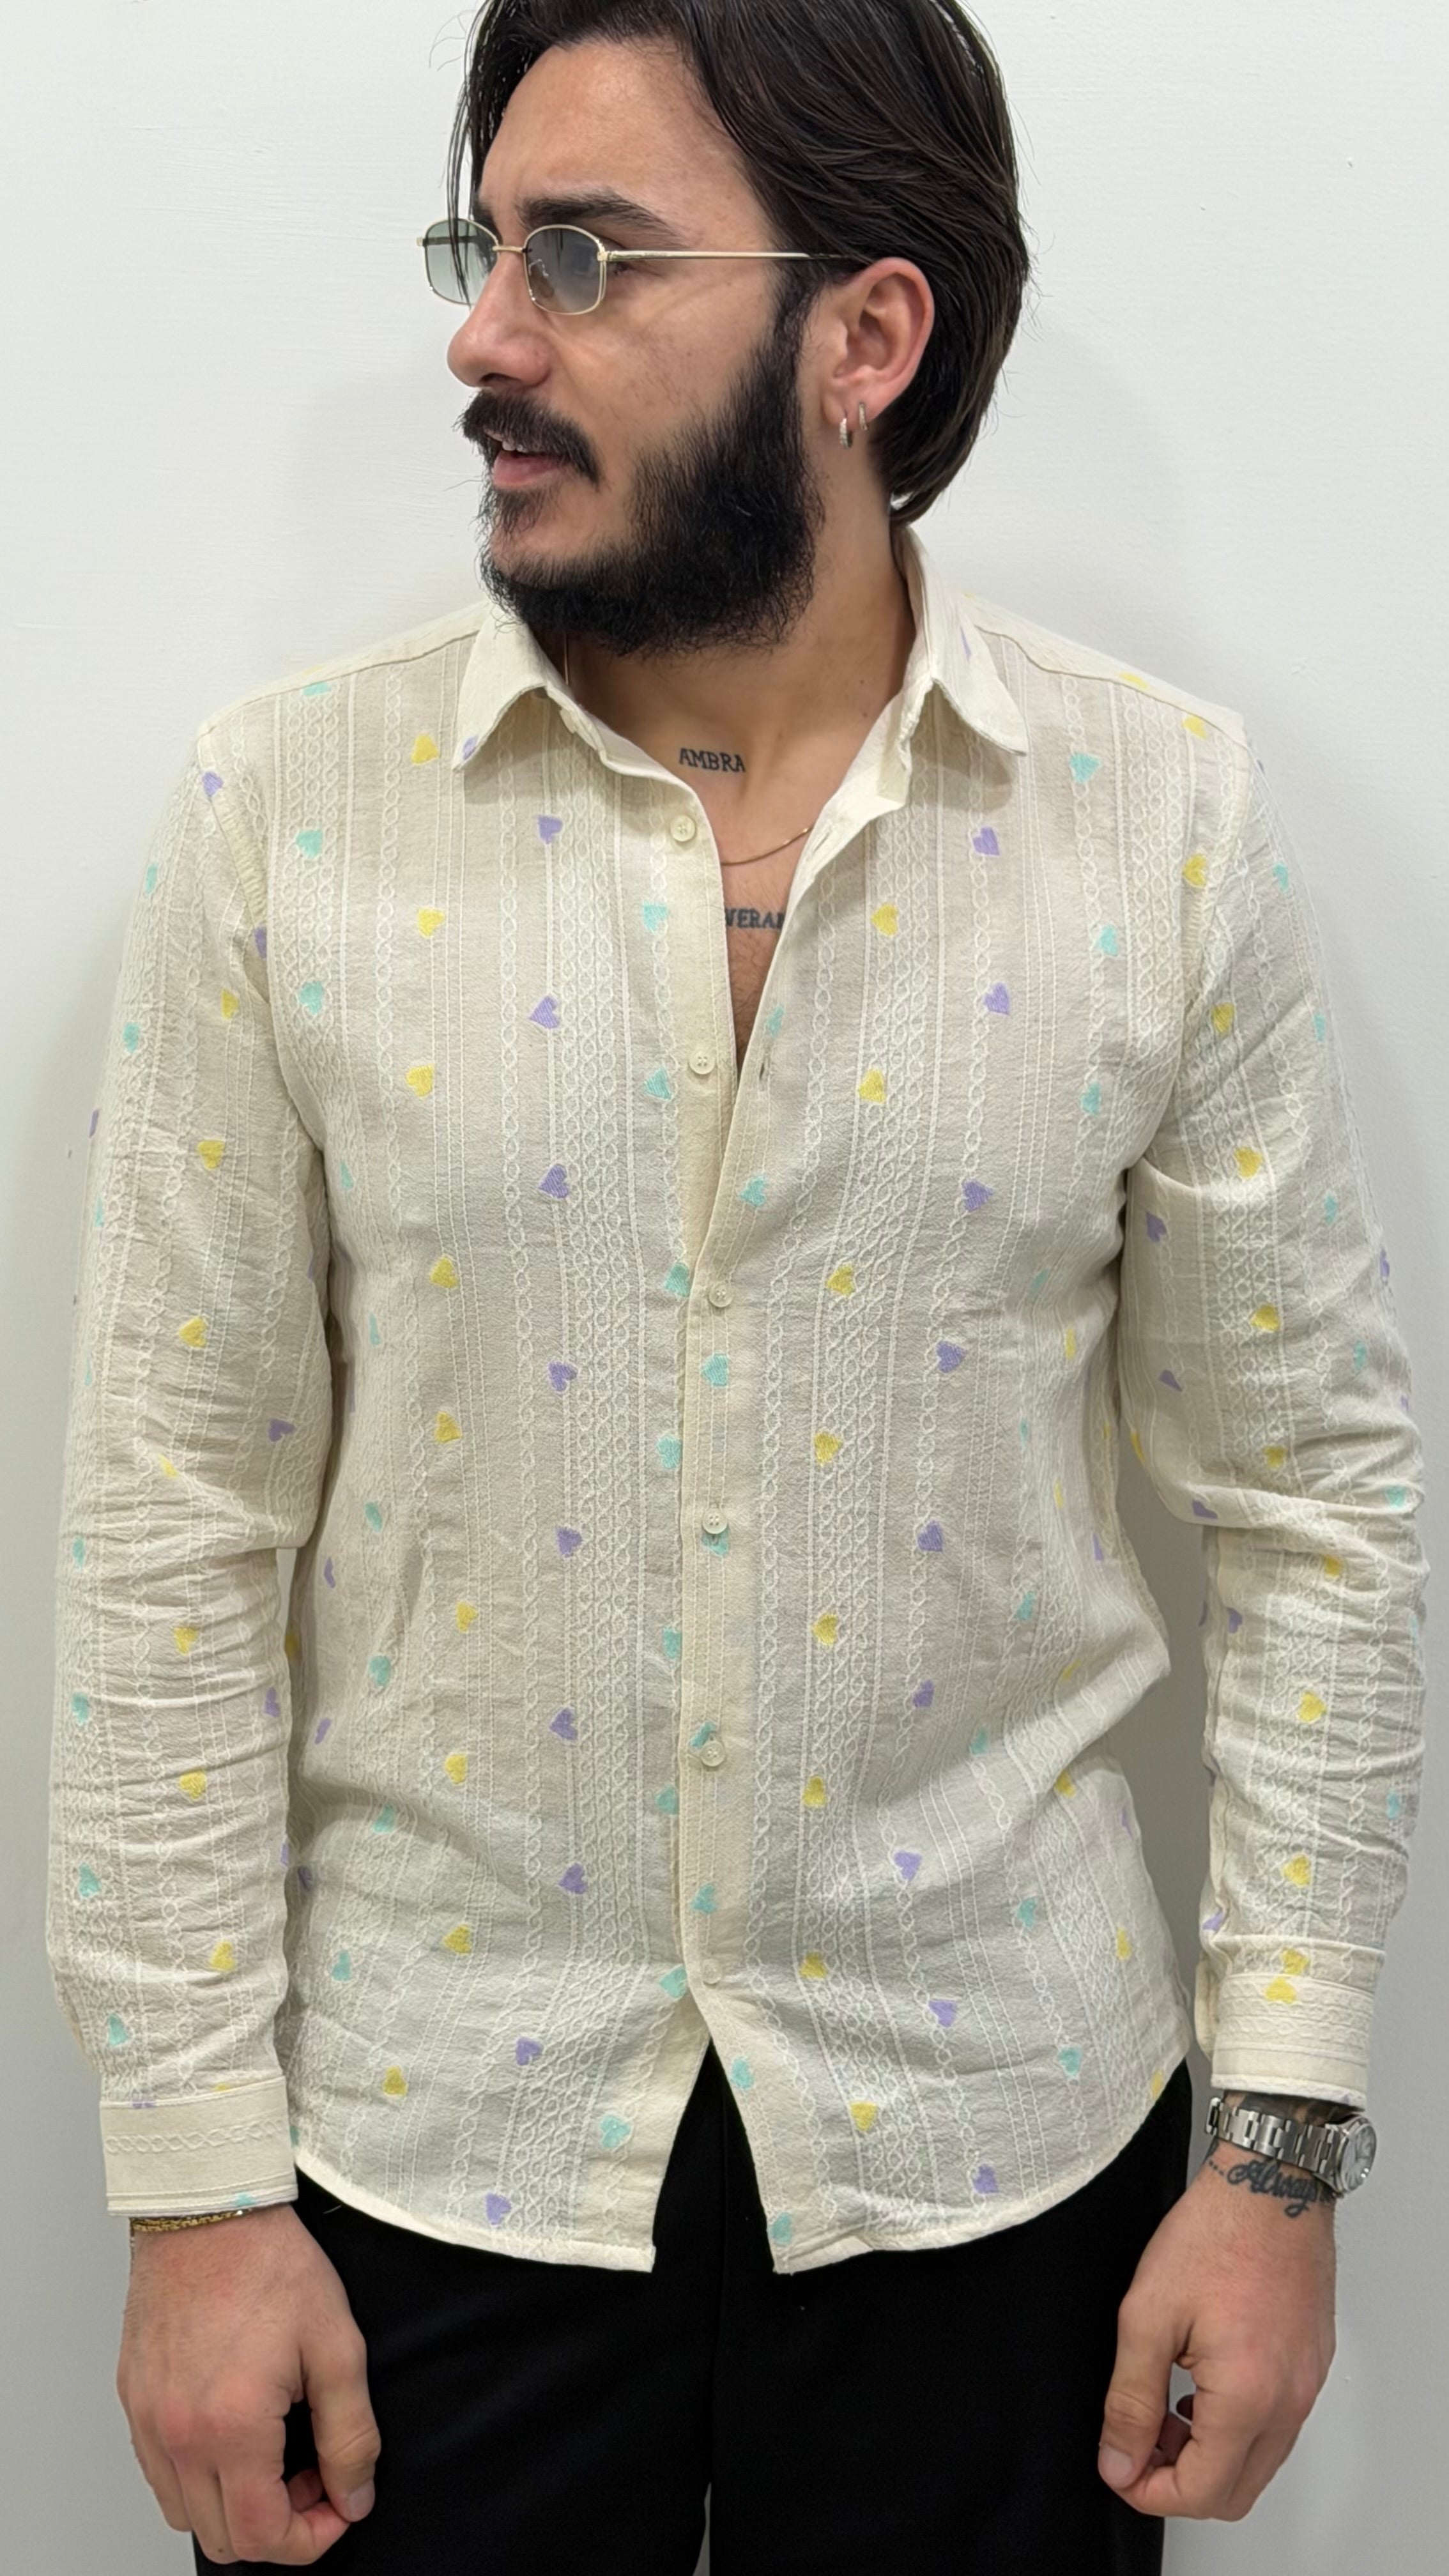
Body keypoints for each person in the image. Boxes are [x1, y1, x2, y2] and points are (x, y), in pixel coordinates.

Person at [48, 4, 1426, 2570]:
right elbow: (171, 1527)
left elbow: (1317, 1507)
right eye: (484, 247)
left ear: (864, 334)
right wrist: (194, 2186)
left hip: (1003, 2158)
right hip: (433, 2158)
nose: (484, 336)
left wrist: (1276, 2155)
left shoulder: (1157, 826)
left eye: (584, 259)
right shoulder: (290, 817)